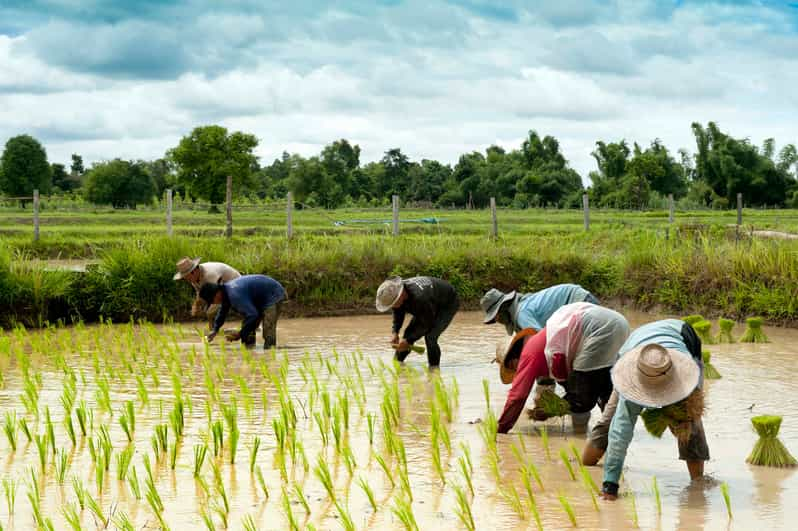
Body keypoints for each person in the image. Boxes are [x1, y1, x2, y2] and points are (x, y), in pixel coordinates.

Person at [579, 319, 708, 500]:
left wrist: (675, 414)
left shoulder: (684, 371)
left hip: (679, 338)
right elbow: (620, 434)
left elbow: (695, 401)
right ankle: (587, 463)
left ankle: (698, 484)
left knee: (689, 421)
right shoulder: (631, 382)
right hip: (635, 353)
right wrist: (610, 486)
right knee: (610, 422)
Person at [495, 302, 629, 434]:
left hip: (599, 328)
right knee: (605, 390)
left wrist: (501, 429)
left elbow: (517, 396)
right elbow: (572, 384)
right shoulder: (551, 347)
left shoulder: (529, 353)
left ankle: (599, 435)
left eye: (514, 367)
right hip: (619, 323)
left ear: (514, 357)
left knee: (581, 400)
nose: (518, 371)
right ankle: (615, 433)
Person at [375, 276, 459, 368]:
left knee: (430, 337)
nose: (393, 306)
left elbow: (426, 323)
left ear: (401, 294)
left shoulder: (420, 298)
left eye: (394, 303)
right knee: (407, 336)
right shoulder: (396, 292)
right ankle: (397, 364)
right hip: (429, 303)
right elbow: (398, 311)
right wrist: (395, 331)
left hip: (447, 303)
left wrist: (408, 340)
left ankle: (434, 371)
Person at [199, 274, 286, 349]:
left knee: (268, 332)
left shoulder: (234, 295)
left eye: (212, 301)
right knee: (248, 329)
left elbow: (252, 315)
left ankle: (270, 353)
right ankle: (249, 349)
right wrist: (215, 330)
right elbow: (222, 312)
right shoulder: (225, 292)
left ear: (216, 294)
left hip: (273, 294)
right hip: (258, 299)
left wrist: (239, 334)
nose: (213, 303)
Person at [481, 283, 599, 335]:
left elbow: (541, 341)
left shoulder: (522, 315)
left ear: (503, 308)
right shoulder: (522, 304)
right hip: (579, 300)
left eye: (496, 317)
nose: (497, 321)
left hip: (579, 302)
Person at [174, 257, 241, 327]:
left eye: (186, 277)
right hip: (222, 288)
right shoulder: (193, 279)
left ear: (193, 272)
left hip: (236, 285)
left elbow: (216, 295)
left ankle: (214, 330)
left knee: (210, 312)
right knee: (208, 311)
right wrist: (196, 305)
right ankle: (213, 329)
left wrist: (202, 307)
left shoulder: (210, 275)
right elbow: (199, 292)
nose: (187, 280)